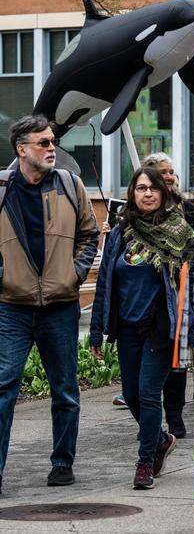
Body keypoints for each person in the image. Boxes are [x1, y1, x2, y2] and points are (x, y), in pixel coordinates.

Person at [0, 115, 98, 493]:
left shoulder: (70, 185)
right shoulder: (3, 187)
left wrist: (72, 274)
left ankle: (62, 463)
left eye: (52, 141)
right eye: (42, 143)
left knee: (65, 389)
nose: (51, 148)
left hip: (60, 304)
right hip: (12, 305)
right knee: (4, 387)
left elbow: (89, 235)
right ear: (22, 149)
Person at [90, 167, 194, 489]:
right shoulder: (121, 231)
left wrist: (192, 329)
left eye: (153, 188)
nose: (148, 194)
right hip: (127, 327)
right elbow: (105, 283)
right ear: (132, 194)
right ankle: (161, 440)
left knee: (149, 393)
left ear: (164, 193)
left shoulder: (178, 230)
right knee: (131, 394)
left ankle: (144, 462)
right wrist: (97, 330)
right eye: (141, 188)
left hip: (160, 327)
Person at [139, 152, 194, 440]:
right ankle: (150, 416)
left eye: (172, 172)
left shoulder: (185, 208)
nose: (170, 177)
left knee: (176, 358)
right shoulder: (136, 211)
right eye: (164, 172)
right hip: (146, 297)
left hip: (179, 294)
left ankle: (175, 414)